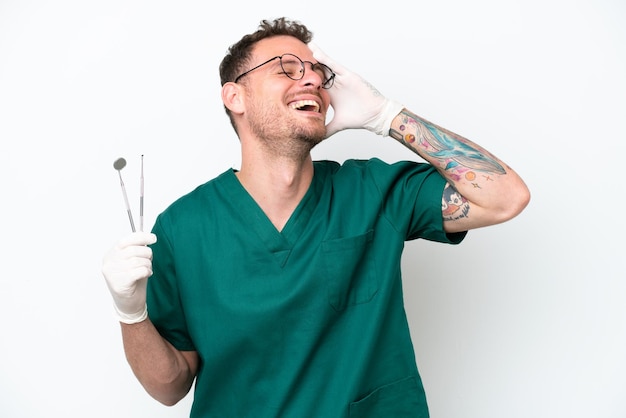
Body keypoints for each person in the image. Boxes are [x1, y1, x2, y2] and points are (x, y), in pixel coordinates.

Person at [101, 17, 530, 417]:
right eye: (286, 67)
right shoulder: (183, 229)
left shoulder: (373, 192)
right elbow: (168, 387)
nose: (311, 78)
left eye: (318, 73)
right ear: (235, 96)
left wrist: (388, 117)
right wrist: (131, 314)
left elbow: (505, 197)